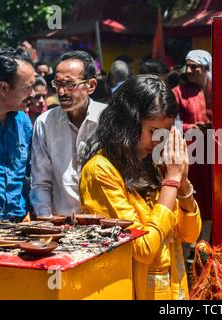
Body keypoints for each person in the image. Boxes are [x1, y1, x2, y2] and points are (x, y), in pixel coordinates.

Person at [79, 75, 201, 300]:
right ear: (128, 124)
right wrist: (171, 182)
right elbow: (143, 249)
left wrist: (182, 183)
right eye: (153, 131)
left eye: (164, 133)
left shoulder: (154, 163)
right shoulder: (100, 170)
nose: (158, 141)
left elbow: (190, 234)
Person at [30, 50, 107, 217]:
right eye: (58, 84)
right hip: (60, 222)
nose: (62, 92)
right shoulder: (44, 123)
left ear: (91, 86)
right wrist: (46, 221)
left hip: (103, 224)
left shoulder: (109, 120)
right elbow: (41, 182)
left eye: (70, 85)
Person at [0, 47, 36, 227]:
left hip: (15, 223)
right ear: (3, 87)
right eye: (28, 88)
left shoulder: (23, 121)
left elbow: (29, 171)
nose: (33, 94)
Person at [172, 49, 212, 130]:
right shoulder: (177, 92)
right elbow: (172, 124)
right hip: (189, 141)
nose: (188, 70)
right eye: (187, 66)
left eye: (194, 67)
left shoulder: (218, 90)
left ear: (206, 68)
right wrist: (190, 128)